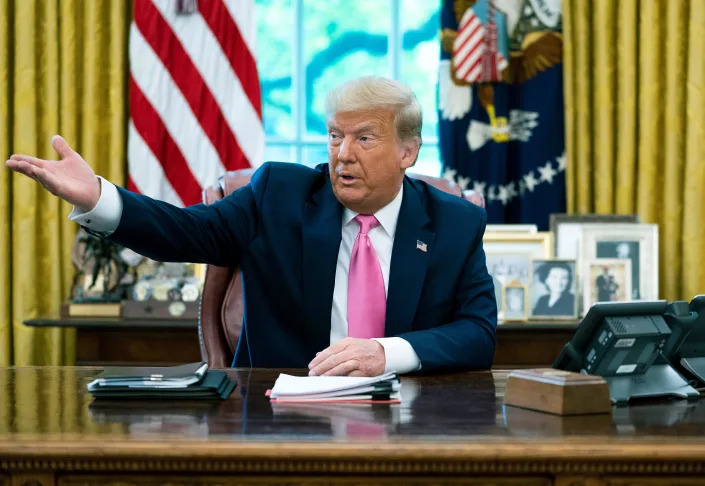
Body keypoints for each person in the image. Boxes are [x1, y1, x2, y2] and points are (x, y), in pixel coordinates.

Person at [5, 76, 497, 377]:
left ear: (408, 152)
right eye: (334, 136)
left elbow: (477, 333)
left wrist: (385, 354)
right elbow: (183, 231)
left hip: (408, 420)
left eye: (364, 138)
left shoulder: (454, 221)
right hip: (280, 417)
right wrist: (99, 198)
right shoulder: (278, 195)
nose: (342, 154)